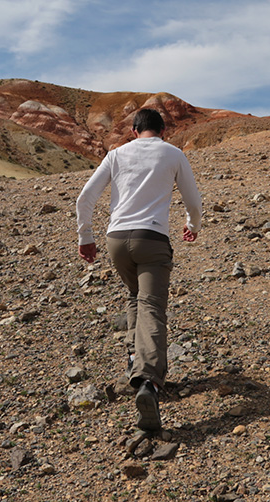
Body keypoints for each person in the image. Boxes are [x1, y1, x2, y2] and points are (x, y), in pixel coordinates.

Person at [75, 108, 203, 433]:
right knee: (152, 306)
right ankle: (148, 381)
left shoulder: (116, 155)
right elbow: (193, 201)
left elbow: (85, 197)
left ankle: (135, 363)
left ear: (134, 131)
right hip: (152, 238)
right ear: (163, 131)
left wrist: (85, 236)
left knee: (135, 298)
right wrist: (192, 224)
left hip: (116, 240)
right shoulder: (173, 154)